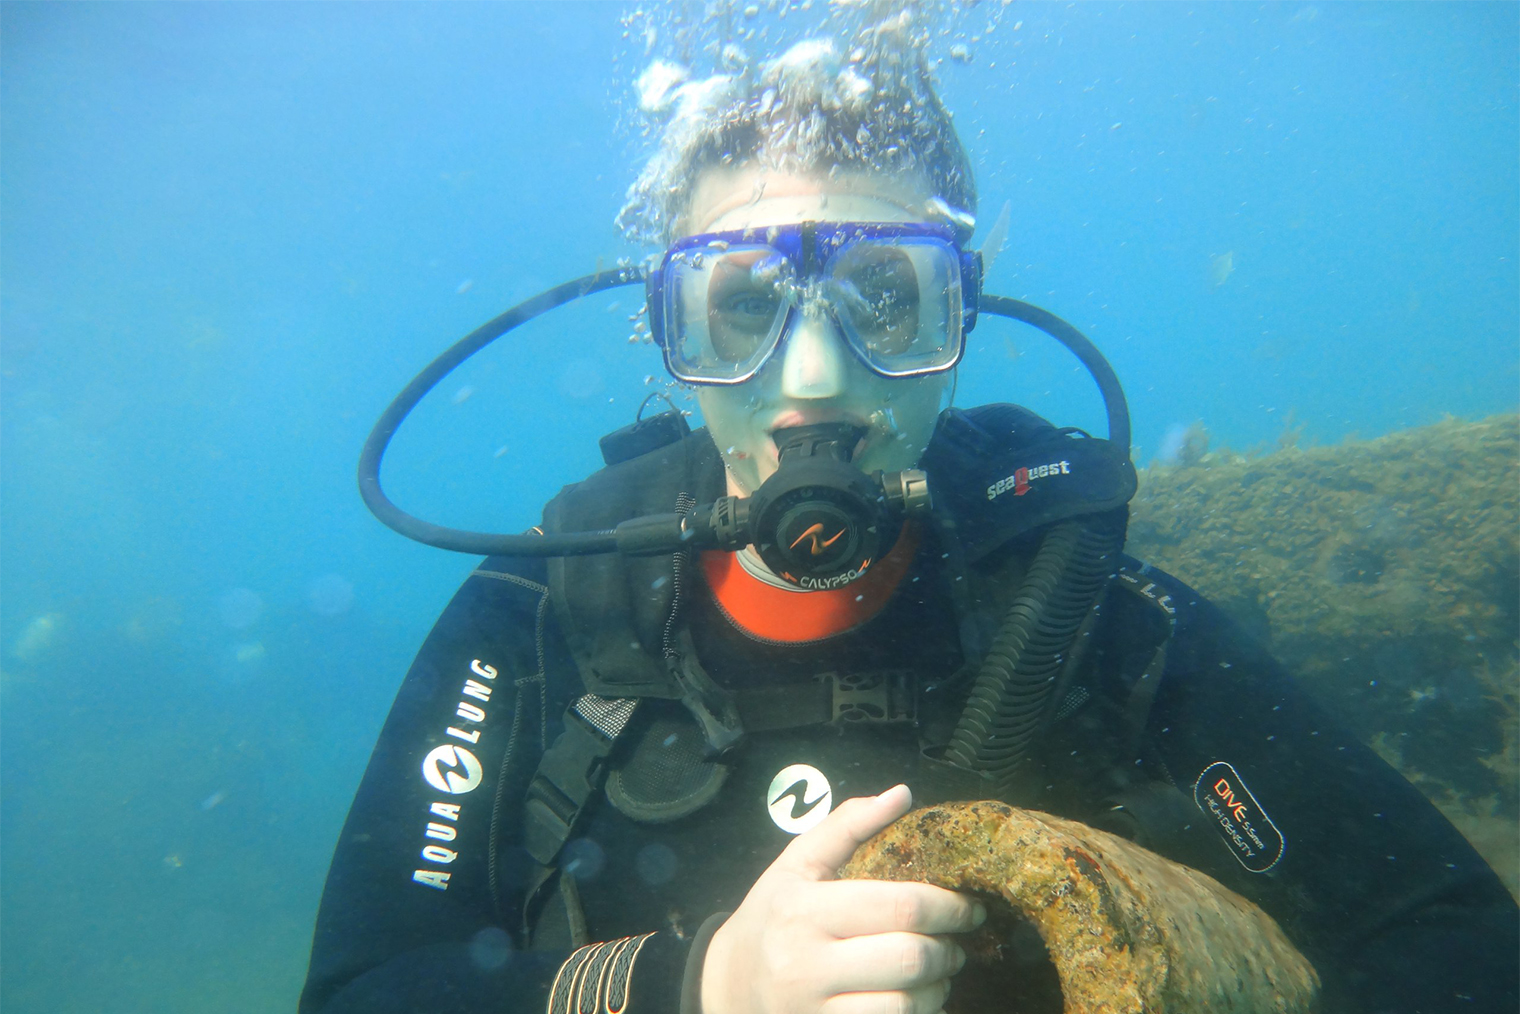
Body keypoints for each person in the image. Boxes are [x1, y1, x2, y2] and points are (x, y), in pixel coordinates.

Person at [301, 31, 1519, 1014]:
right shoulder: (539, 625)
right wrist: (698, 986)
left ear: (961, 324)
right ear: (671, 346)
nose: (818, 375)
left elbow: (1446, 937)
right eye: (740, 310)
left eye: (889, 299)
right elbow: (365, 993)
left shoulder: (1067, 590)